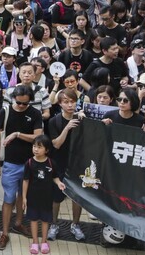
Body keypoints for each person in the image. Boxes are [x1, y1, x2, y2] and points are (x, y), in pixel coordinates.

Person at [0, 85, 43, 251]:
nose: (21, 106)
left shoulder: (35, 113)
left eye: (25, 103)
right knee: (9, 198)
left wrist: (17, 134)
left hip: (30, 163)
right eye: (19, 102)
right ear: (13, 98)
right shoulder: (5, 111)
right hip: (10, 163)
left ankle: (19, 223)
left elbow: (38, 136)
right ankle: (4, 233)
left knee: (23, 195)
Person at [47, 89, 85, 241]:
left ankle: (75, 224)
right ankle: (54, 224)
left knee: (77, 197)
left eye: (72, 101)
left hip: (77, 163)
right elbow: (55, 144)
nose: (70, 105)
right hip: (59, 163)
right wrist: (67, 127)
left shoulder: (82, 118)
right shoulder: (54, 121)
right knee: (56, 197)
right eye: (66, 102)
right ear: (60, 104)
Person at [22, 135, 66, 255]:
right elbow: (25, 181)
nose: (36, 149)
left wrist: (59, 183)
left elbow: (55, 177)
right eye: (34, 146)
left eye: (39, 147)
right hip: (32, 198)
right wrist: (24, 197)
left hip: (47, 198)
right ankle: (35, 242)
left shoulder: (51, 163)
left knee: (46, 220)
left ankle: (44, 241)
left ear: (46, 150)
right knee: (34, 220)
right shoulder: (29, 163)